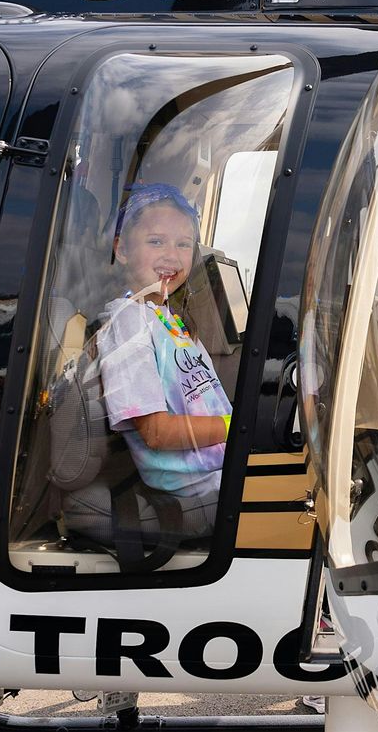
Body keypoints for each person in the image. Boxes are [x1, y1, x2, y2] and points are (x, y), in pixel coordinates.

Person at [96, 182, 232, 536]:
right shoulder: (128, 324)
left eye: (183, 244)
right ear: (121, 249)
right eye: (156, 241)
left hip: (216, 469)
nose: (172, 256)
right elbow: (156, 433)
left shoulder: (167, 316)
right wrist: (236, 428)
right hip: (196, 487)